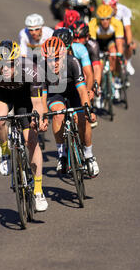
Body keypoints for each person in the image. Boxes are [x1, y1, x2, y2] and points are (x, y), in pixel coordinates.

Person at [0, 40, 49, 212]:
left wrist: (37, 119)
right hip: (2, 96)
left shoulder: (31, 69)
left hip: (25, 98)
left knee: (31, 141)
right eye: (1, 65)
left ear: (16, 62)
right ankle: (5, 151)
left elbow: (38, 103)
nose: (5, 69)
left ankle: (38, 191)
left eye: (9, 64)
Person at [41, 36, 99, 177]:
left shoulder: (73, 62)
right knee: (58, 114)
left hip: (74, 92)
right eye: (49, 59)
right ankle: (62, 155)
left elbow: (82, 91)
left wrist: (88, 110)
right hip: (55, 94)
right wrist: (43, 117)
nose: (53, 63)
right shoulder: (41, 69)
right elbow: (42, 97)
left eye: (57, 58)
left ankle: (89, 155)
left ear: (64, 55)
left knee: (82, 118)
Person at [89, 4, 124, 99]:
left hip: (110, 42)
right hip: (98, 44)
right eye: (102, 19)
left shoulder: (117, 23)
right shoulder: (93, 24)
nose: (105, 21)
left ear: (111, 18)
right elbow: (92, 45)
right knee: (98, 66)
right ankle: (99, 89)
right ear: (98, 19)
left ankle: (114, 78)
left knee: (114, 54)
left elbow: (119, 42)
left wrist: (119, 56)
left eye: (107, 19)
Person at [102, 0, 136, 75]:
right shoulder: (103, 11)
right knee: (113, 53)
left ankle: (128, 61)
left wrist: (129, 43)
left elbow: (127, 29)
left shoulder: (124, 10)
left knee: (129, 45)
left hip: (121, 32)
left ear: (115, 5)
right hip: (109, 33)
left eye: (111, 6)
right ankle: (114, 74)